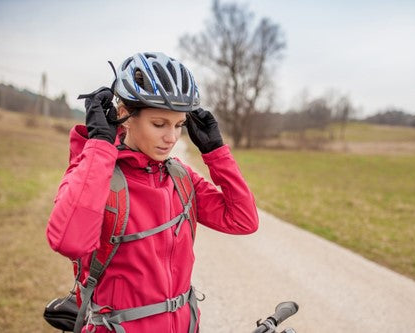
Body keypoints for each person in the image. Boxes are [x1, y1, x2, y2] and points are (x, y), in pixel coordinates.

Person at [46, 52, 259, 333]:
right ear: (124, 116)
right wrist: (100, 146)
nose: (171, 137)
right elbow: (69, 242)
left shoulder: (180, 178)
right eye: (159, 124)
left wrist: (215, 152)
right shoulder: (97, 176)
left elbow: (243, 220)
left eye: (179, 125)